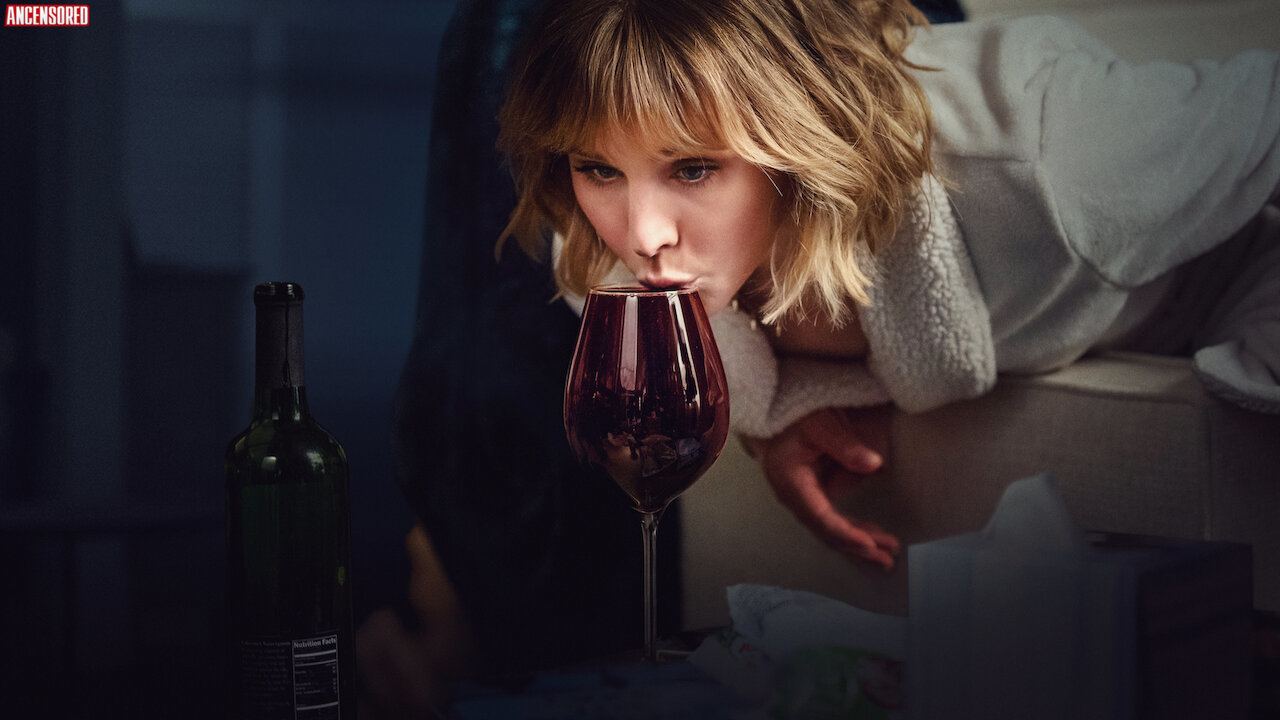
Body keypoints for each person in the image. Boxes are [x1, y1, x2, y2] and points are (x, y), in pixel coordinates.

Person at [495, 0, 1280, 571]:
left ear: (796, 140)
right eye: (600, 169)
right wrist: (780, 418)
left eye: (693, 168)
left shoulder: (1052, 151)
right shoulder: (597, 261)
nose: (641, 236)